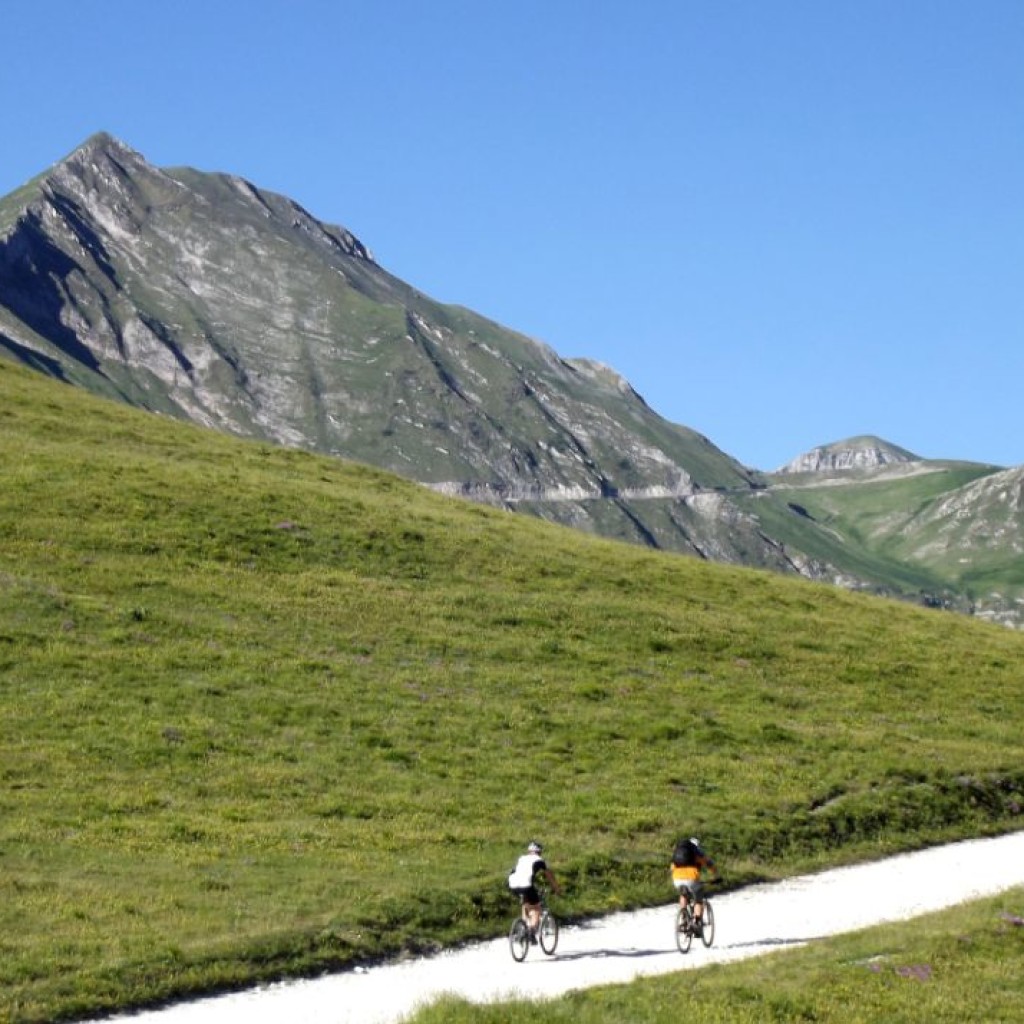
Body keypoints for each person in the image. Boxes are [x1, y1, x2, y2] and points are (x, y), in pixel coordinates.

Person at [507, 840, 561, 942]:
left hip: (512, 884)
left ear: (529, 851)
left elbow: (515, 872)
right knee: (536, 908)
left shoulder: (521, 858)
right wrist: (556, 889)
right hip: (526, 885)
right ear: (540, 852)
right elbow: (549, 876)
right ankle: (531, 932)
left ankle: (523, 927)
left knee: (525, 904)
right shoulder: (540, 860)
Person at [670, 836, 718, 932]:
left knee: (683, 894)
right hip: (691, 879)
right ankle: (696, 922)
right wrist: (716, 876)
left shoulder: (678, 854)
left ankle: (683, 917)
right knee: (698, 899)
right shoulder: (696, 854)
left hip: (677, 879)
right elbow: (709, 864)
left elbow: (671, 868)